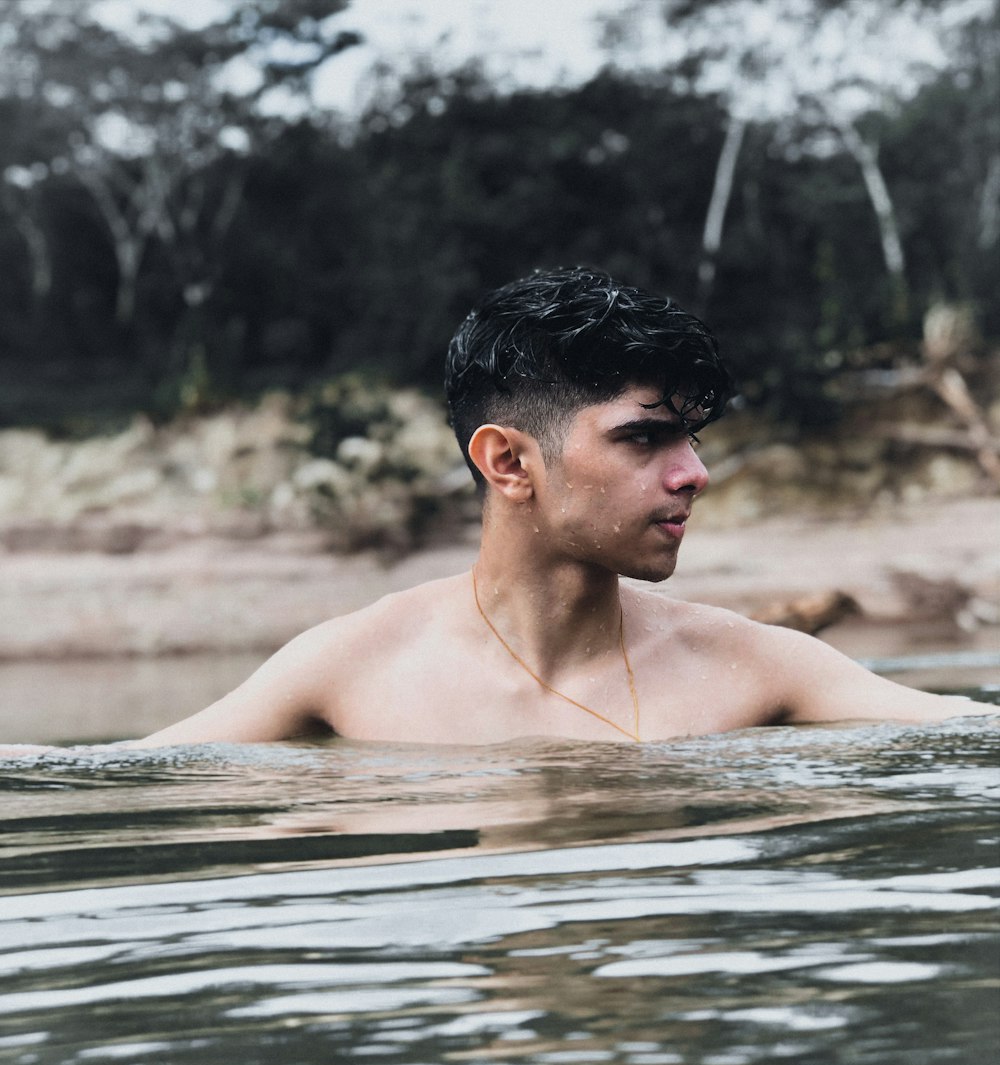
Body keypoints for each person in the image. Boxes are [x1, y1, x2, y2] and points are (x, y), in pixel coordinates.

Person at [15, 266, 998, 753]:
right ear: (507, 462)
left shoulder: (755, 663)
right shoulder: (348, 670)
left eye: (691, 439)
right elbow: (111, 776)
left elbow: (966, 737)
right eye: (643, 436)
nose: (693, 472)